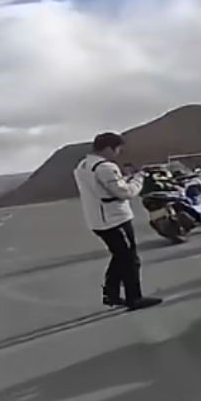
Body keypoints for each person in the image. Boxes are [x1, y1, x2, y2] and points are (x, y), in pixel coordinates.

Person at [73, 132, 162, 310]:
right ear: (108, 148)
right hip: (114, 219)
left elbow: (103, 188)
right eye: (117, 149)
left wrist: (123, 180)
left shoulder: (83, 165)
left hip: (97, 219)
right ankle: (134, 298)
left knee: (120, 256)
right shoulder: (105, 167)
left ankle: (111, 293)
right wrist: (139, 178)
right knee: (130, 260)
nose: (117, 153)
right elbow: (124, 193)